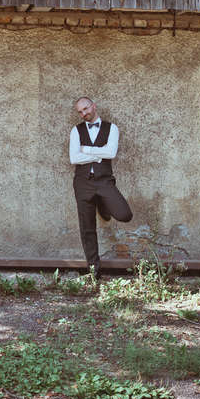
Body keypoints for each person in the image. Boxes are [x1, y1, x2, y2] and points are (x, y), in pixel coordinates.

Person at [69, 96, 132, 277]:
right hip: (83, 183)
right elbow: (74, 158)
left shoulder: (112, 128)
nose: (84, 113)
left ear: (94, 106)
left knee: (124, 214)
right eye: (80, 112)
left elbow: (111, 153)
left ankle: (102, 204)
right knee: (87, 227)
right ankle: (94, 270)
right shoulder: (76, 130)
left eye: (86, 108)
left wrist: (87, 150)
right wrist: (99, 154)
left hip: (104, 181)